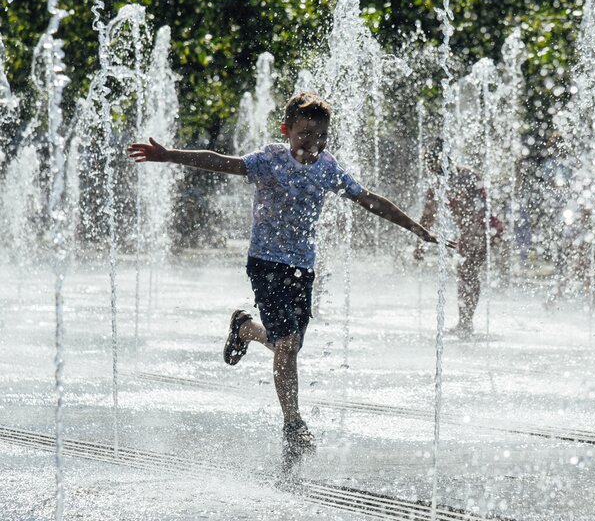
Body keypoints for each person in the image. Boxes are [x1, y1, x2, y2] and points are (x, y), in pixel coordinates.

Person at [127, 91, 451, 468]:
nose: (311, 143)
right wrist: (169, 155)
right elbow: (221, 162)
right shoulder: (269, 160)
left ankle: (245, 327)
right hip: (266, 263)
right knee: (288, 343)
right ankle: (293, 424)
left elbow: (370, 200)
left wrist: (418, 229)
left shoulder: (328, 168)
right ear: (287, 130)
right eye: (304, 134)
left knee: (288, 346)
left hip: (303, 269)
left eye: (319, 137)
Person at [415, 139, 496, 339]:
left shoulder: (467, 176)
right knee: (465, 273)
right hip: (468, 232)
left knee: (467, 271)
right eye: (427, 161)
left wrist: (472, 234)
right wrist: (420, 243)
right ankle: (465, 322)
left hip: (484, 229)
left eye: (431, 160)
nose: (429, 166)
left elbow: (484, 208)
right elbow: (428, 216)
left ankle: (466, 323)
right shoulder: (438, 185)